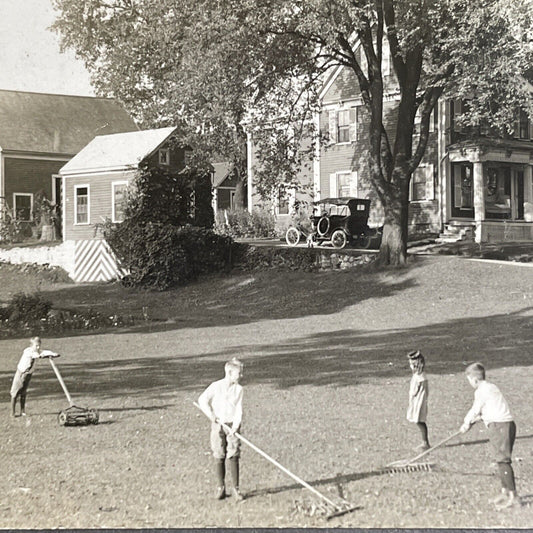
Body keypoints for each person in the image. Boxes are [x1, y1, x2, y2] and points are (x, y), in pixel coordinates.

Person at [460, 362, 520, 510]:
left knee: (503, 461)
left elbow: (475, 409)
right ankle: (505, 492)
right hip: (506, 425)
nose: (470, 384)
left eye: (469, 381)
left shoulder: (481, 391)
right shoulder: (492, 387)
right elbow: (489, 409)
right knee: (500, 461)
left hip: (500, 427)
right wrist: (476, 420)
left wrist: (466, 423)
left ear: (474, 380)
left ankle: (514, 497)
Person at [198, 358, 244, 501]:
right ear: (230, 373)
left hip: (232, 426)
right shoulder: (216, 386)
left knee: (233, 453)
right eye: (239, 373)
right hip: (218, 425)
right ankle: (221, 488)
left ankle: (236, 489)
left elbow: (239, 410)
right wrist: (211, 415)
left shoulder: (239, 389)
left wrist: (235, 427)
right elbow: (202, 400)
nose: (241, 376)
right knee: (219, 453)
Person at [10, 336, 59, 417]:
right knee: (15, 392)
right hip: (21, 373)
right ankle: (12, 412)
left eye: (39, 345)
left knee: (24, 392)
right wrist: (40, 356)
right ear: (31, 345)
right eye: (36, 346)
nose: (38, 347)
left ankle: (22, 411)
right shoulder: (27, 351)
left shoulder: (38, 351)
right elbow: (35, 355)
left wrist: (53, 354)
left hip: (28, 374)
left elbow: (44, 352)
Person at [406, 350, 430, 451]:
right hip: (421, 401)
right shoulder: (422, 376)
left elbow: (414, 391)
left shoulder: (417, 378)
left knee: (419, 420)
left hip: (418, 402)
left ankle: (425, 442)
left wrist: (411, 396)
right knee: (419, 420)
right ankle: (424, 442)